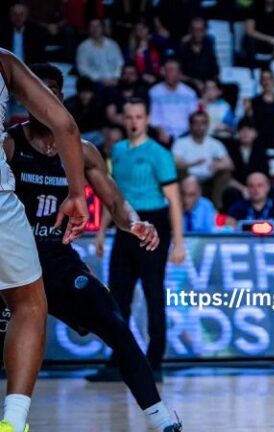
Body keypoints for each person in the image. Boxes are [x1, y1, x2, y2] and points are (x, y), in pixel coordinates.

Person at [3, 63, 183, 432]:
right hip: (13, 258)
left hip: (56, 259)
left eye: (53, 90)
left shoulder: (83, 152)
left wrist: (135, 223)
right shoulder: (9, 143)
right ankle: (13, 420)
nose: (47, 97)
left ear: (60, 98)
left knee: (114, 318)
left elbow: (117, 204)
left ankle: (161, 417)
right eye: (41, 90)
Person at [0, 48, 89, 432]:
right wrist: (77, 194)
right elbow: (65, 126)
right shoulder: (3, 61)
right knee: (30, 307)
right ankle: (14, 422)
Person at [94, 97, 186, 382]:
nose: (133, 122)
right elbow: (114, 196)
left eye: (138, 116)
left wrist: (179, 242)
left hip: (154, 222)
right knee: (117, 297)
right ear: (123, 119)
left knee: (153, 293)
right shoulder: (117, 151)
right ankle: (116, 360)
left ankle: (154, 360)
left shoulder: (159, 153)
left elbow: (173, 200)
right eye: (129, 116)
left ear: (146, 119)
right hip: (126, 225)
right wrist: (101, 230)